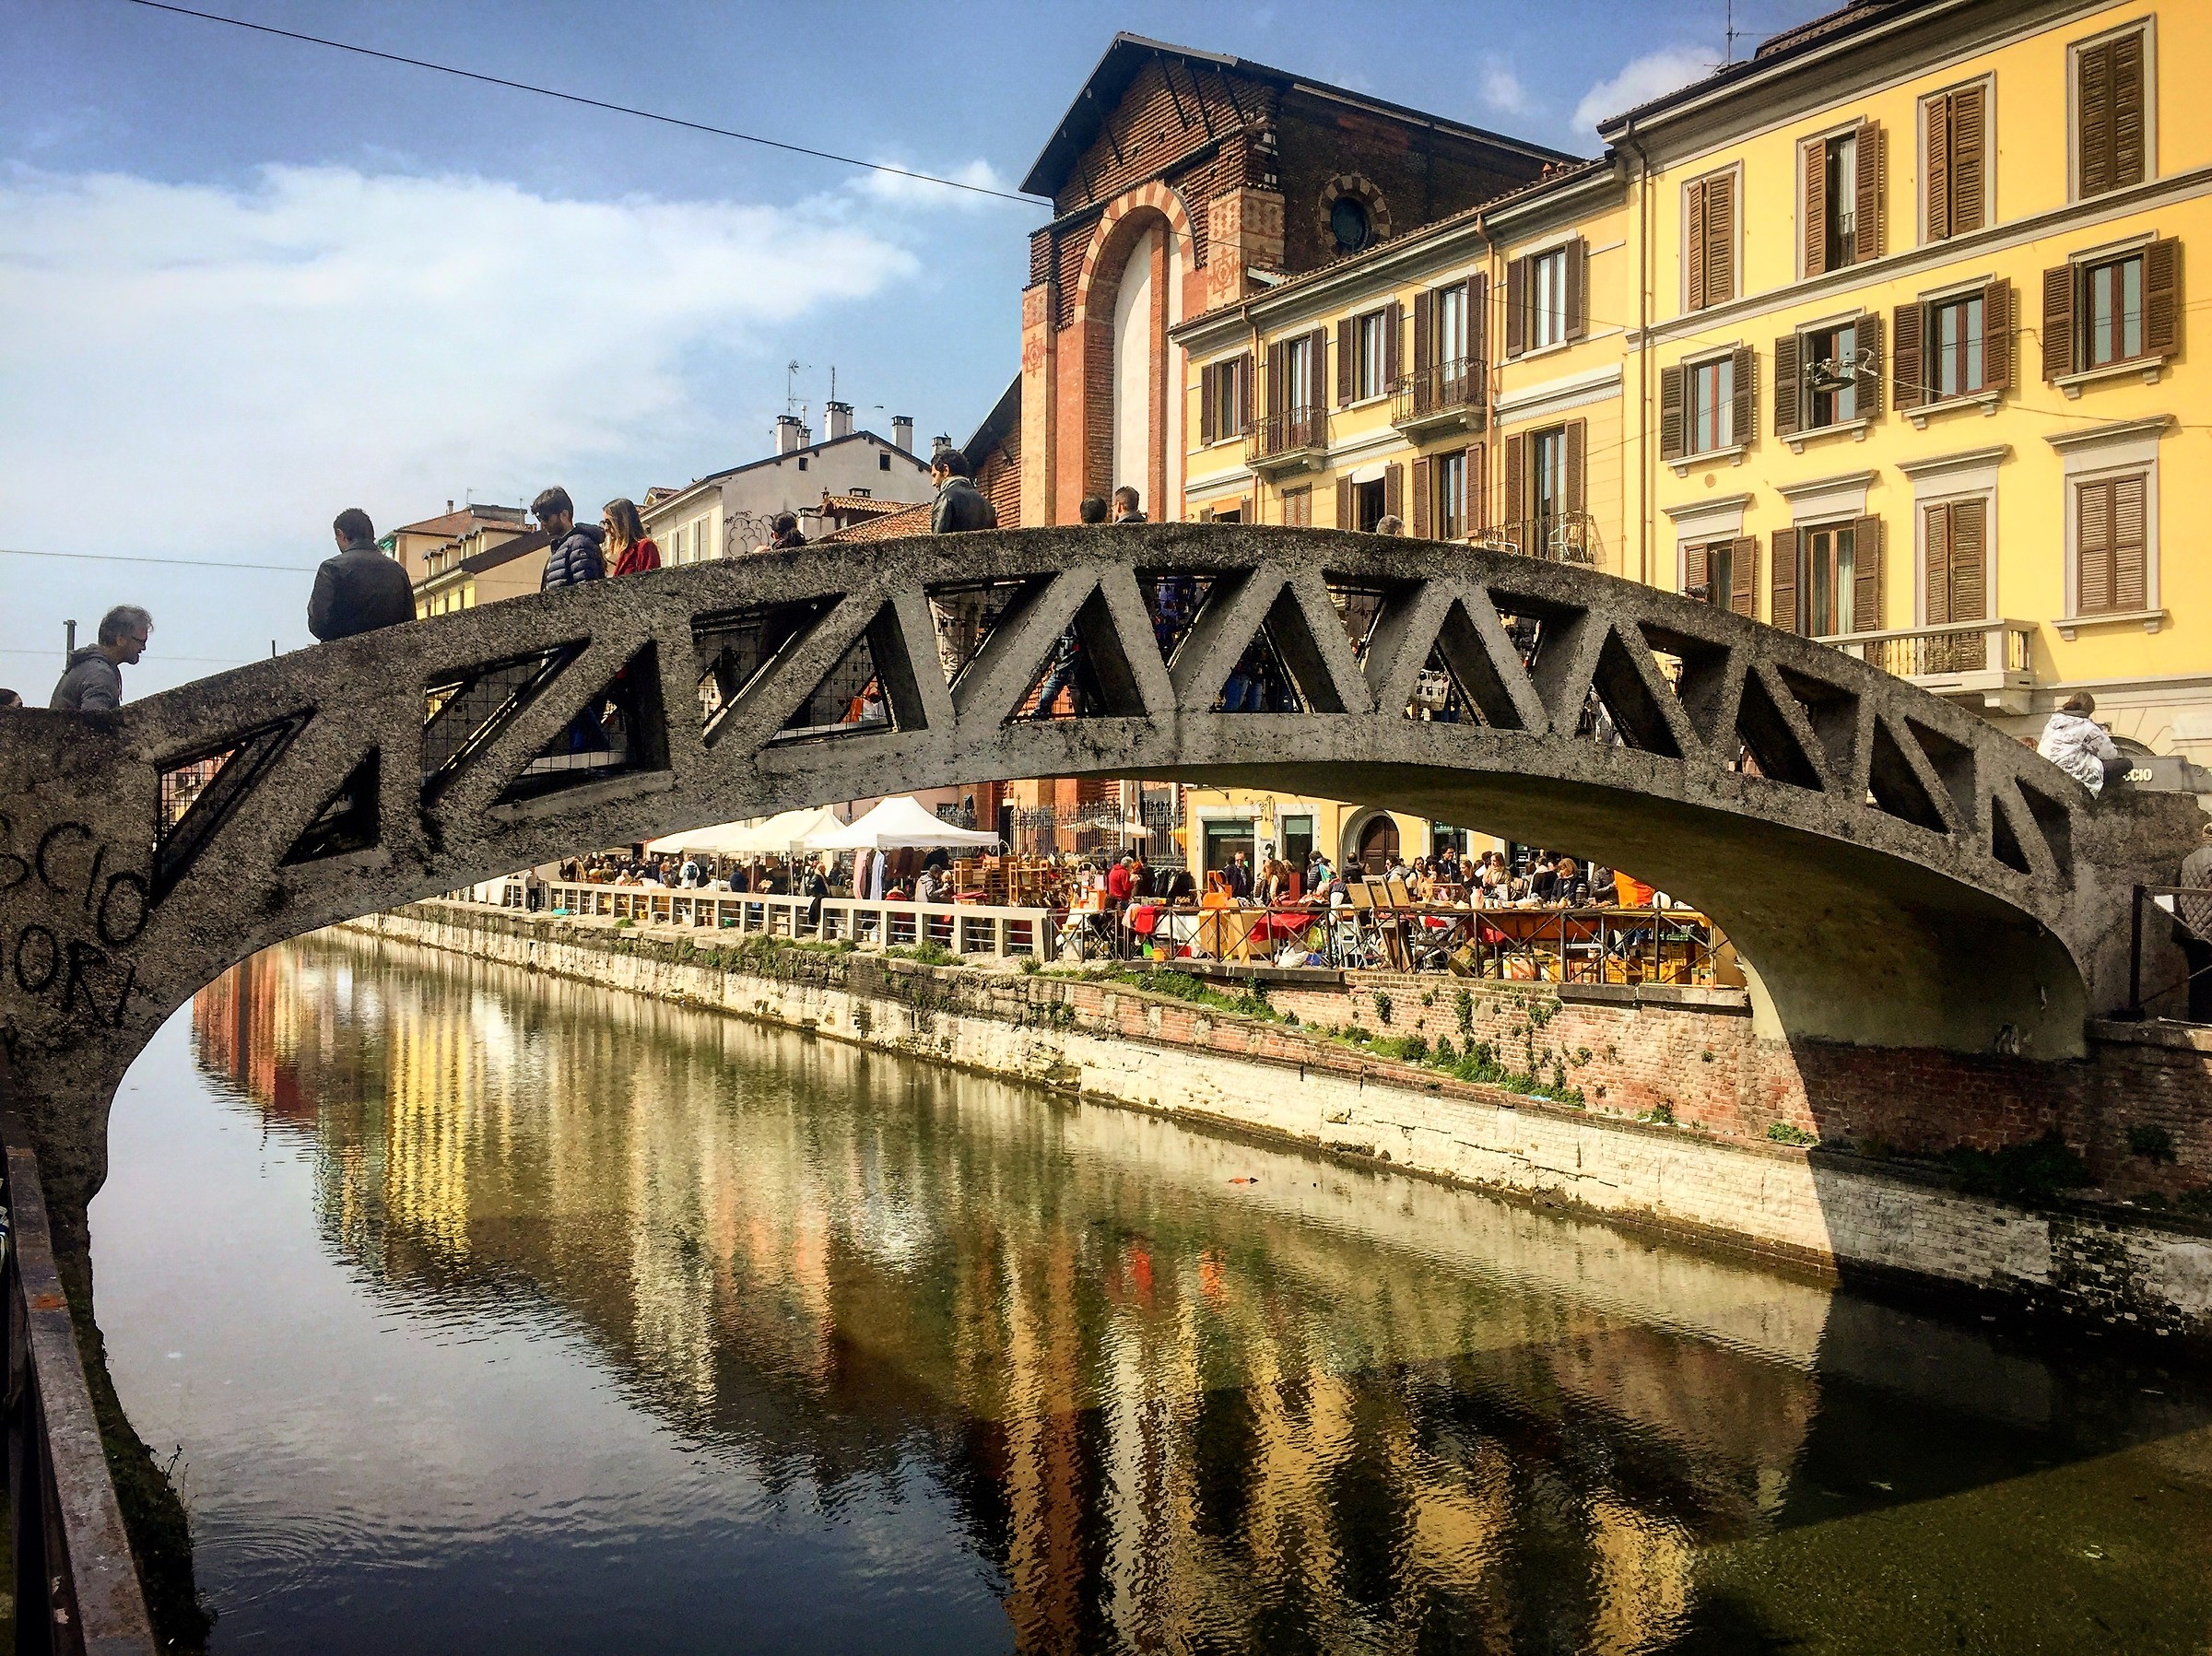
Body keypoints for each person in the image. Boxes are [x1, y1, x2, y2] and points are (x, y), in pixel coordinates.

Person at [309, 509, 415, 641]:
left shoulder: (331, 568)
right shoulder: (398, 571)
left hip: (342, 654)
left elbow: (318, 623)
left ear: (341, 534)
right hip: (389, 653)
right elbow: (409, 623)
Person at [51, 605, 151, 711]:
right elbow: (94, 723)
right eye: (141, 642)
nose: (143, 648)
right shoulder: (99, 675)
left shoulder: (88, 667)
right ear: (120, 639)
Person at [2037, 692, 2127, 795]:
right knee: (2125, 764)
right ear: (2090, 710)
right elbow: (2109, 754)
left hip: (2048, 768)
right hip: (2073, 771)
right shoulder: (2086, 726)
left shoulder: (2052, 722)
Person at [535, 487, 605, 590]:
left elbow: (587, 591)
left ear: (564, 515)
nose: (542, 524)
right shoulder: (561, 548)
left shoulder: (580, 544)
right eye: (539, 518)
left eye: (545, 517)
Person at [930, 450, 998, 533]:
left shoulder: (945, 497)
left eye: (934, 475)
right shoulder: (987, 505)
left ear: (945, 470)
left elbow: (937, 540)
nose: (933, 483)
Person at [603, 499, 662, 576]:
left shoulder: (644, 546)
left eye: (609, 522)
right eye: (604, 523)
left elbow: (650, 581)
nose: (606, 528)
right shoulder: (609, 556)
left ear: (623, 521)